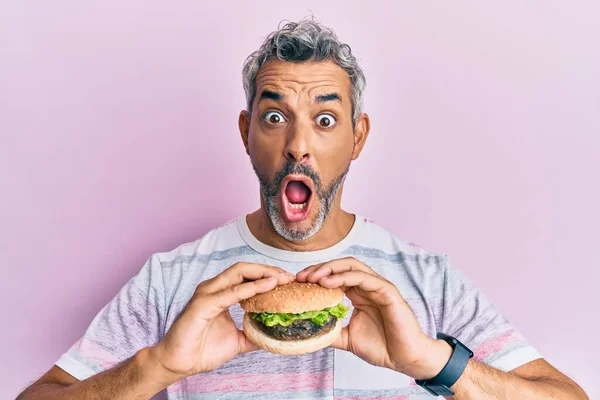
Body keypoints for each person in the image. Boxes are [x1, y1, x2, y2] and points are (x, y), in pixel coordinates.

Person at [18, 18, 588, 400]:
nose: (297, 144)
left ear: (358, 138)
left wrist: (435, 363)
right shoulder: (171, 279)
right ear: (246, 134)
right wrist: (160, 365)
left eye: (324, 119)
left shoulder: (426, 280)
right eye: (273, 117)